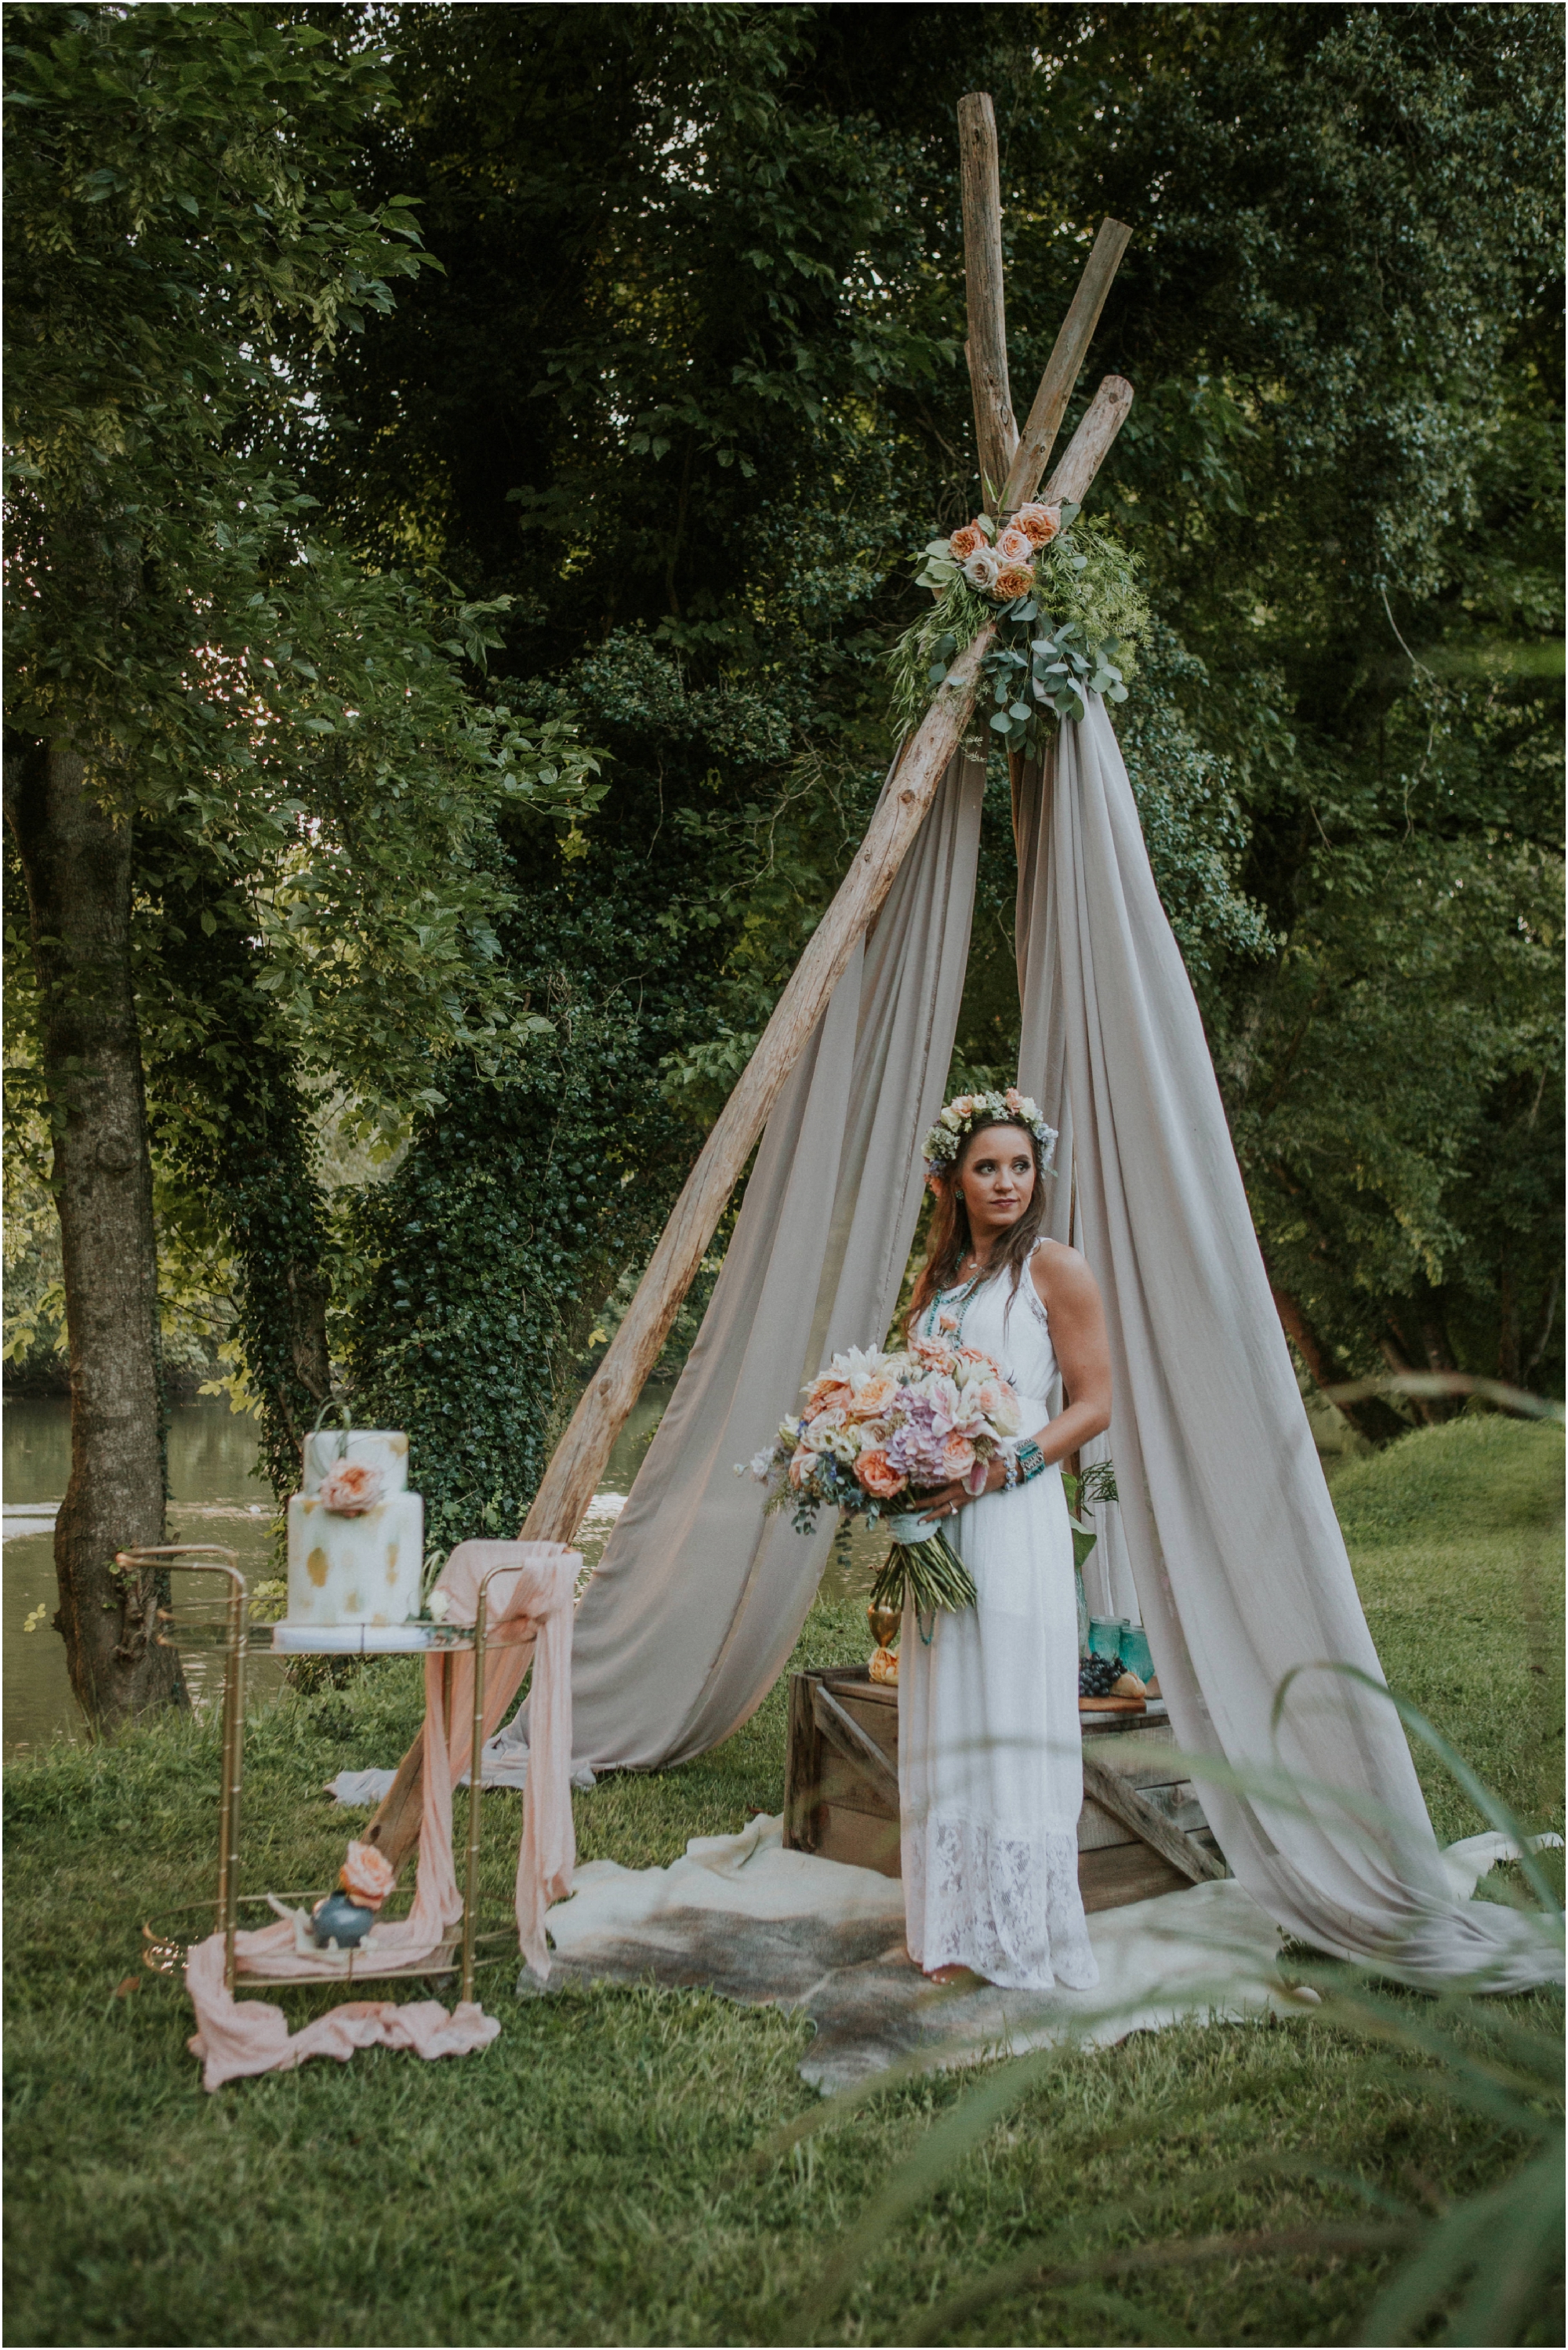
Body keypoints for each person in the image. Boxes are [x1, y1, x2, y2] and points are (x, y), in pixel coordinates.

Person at [898, 1088, 1112, 1990]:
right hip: (938, 1521)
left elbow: (1093, 1403)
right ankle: (952, 1928)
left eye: (1019, 1166)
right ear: (949, 1180)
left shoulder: (1052, 1270)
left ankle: (1020, 1932)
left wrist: (1001, 1468)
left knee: (1010, 1703)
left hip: (1011, 1512)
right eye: (986, 1167)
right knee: (949, 1704)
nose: (1005, 1182)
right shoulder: (937, 1282)